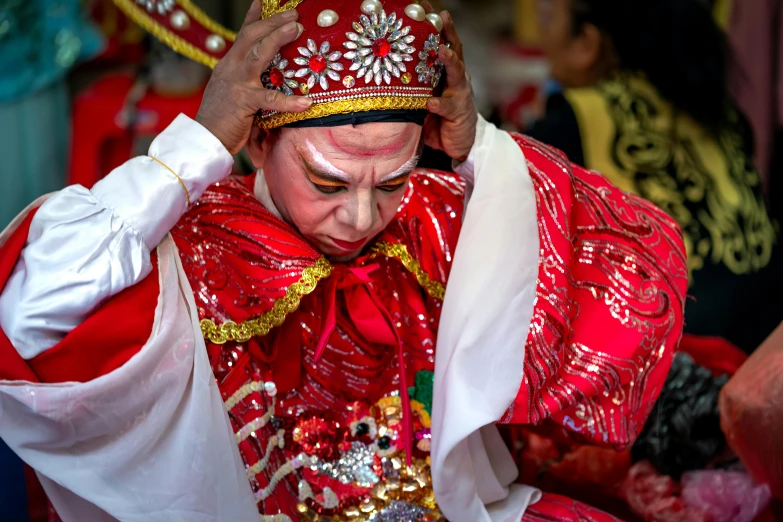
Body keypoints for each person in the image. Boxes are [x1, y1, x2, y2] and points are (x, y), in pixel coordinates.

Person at [0, 0, 687, 521]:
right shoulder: (191, 247)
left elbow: (622, 254)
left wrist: (477, 145)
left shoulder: (431, 219)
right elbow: (32, 308)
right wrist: (194, 147)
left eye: (391, 180)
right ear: (257, 143)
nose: (360, 218)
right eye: (327, 183)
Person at [528, 0, 781, 354]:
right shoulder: (718, 111)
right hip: (764, 358)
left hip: (674, 373)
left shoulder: (570, 124)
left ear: (587, 43)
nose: (542, 37)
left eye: (548, 18)